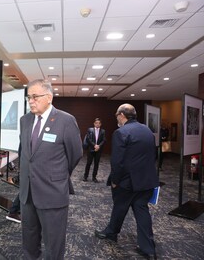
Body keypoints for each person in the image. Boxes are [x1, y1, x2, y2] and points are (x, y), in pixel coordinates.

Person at [19, 79, 83, 259]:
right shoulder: (25, 120)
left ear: (49, 97)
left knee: (53, 245)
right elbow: (24, 152)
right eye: (28, 97)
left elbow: (75, 154)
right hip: (27, 193)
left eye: (35, 97)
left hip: (52, 193)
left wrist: (58, 175)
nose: (31, 101)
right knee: (29, 241)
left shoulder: (66, 120)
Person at [95, 103, 159, 260]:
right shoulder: (147, 131)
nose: (116, 117)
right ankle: (148, 248)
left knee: (120, 207)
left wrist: (115, 181)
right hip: (146, 181)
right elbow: (154, 156)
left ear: (122, 115)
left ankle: (111, 233)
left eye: (117, 114)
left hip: (126, 182)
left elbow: (117, 162)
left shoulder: (121, 132)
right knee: (142, 211)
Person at [83, 118, 106, 182]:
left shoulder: (103, 131)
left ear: (100, 124)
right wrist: (94, 145)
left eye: (99, 123)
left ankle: (94, 177)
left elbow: (104, 140)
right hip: (91, 149)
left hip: (98, 150)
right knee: (88, 163)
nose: (97, 124)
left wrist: (99, 146)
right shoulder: (90, 130)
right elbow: (88, 139)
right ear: (94, 123)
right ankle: (85, 176)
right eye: (96, 123)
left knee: (96, 164)